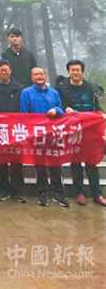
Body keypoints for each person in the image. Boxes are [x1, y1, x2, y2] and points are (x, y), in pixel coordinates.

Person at [57, 59, 106, 207]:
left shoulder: (92, 87)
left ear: (82, 71)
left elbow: (97, 107)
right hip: (74, 129)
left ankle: (97, 194)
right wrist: (66, 109)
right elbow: (60, 106)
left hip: (90, 130)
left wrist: (102, 115)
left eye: (78, 70)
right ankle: (79, 193)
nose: (75, 72)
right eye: (72, 70)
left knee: (92, 162)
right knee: (75, 162)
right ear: (68, 71)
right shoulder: (62, 88)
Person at [20, 66, 68, 208]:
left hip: (53, 134)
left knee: (55, 166)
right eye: (36, 74)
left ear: (45, 75)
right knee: (40, 167)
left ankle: (59, 194)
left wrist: (56, 110)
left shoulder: (54, 92)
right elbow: (24, 114)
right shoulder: (26, 93)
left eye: (41, 74)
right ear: (31, 77)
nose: (39, 76)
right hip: (36, 135)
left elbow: (61, 109)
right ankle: (43, 194)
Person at [0, 59, 25, 202]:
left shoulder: (19, 88)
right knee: (1, 160)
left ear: (10, 71)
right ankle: (2, 189)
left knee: (16, 160)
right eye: (1, 70)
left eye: (6, 70)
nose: (4, 72)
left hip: (15, 127)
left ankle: (17, 190)